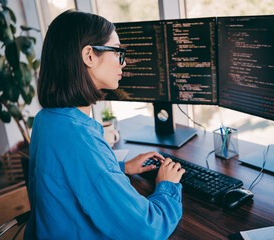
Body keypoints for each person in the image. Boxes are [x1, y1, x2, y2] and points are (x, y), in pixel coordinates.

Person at [24, 10, 185, 240]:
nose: (124, 62)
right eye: (118, 52)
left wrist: (118, 169)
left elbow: (69, 178)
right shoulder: (80, 141)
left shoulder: (47, 119)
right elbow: (147, 229)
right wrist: (166, 185)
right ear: (89, 56)